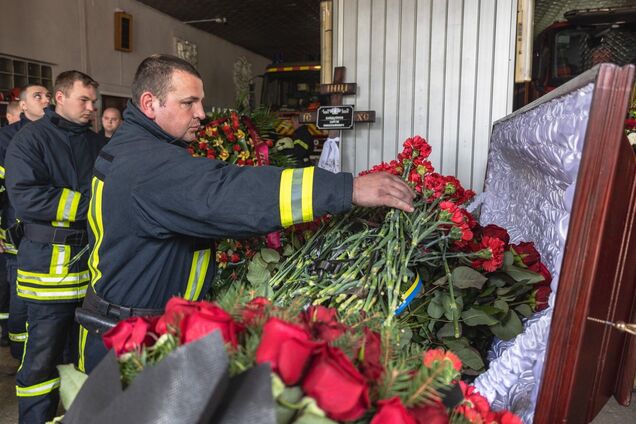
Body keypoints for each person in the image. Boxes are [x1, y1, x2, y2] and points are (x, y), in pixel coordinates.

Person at [78, 54, 415, 373]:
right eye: (188, 103)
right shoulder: (148, 165)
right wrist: (347, 190)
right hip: (131, 342)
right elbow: (229, 193)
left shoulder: (137, 149)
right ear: (150, 104)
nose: (202, 113)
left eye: (201, 101)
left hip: (129, 326)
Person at [5, 71, 106, 423]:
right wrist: (90, 206)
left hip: (91, 273)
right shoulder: (30, 140)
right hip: (48, 271)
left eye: (94, 101)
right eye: (85, 100)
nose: (92, 108)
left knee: (86, 359)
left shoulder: (97, 143)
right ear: (59, 98)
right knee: (41, 362)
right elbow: (28, 199)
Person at [0, 84, 51, 360]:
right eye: (38, 96)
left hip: (50, 235)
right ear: (22, 105)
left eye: (48, 96)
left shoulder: (55, 133)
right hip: (16, 233)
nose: (45, 101)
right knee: (20, 299)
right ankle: (20, 353)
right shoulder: (5, 139)